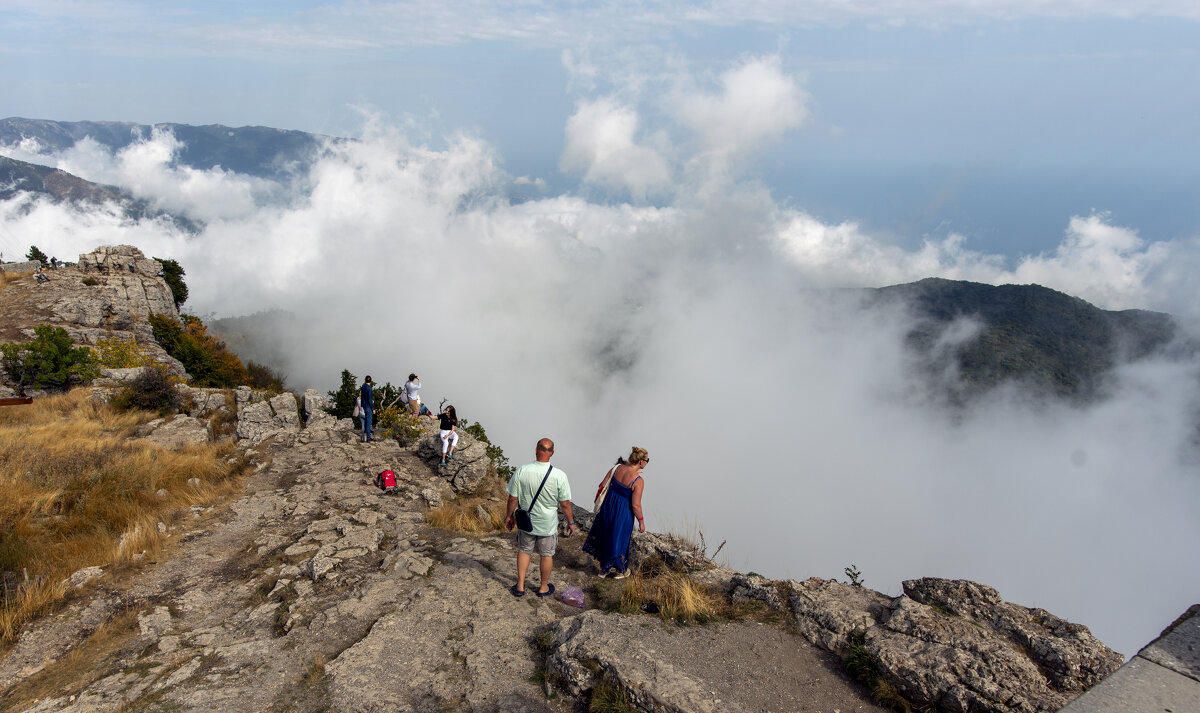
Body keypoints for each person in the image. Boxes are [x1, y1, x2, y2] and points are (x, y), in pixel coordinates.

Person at [505, 438, 574, 597]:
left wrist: (509, 517)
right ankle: (543, 587)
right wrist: (570, 522)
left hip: (526, 522)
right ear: (552, 453)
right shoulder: (559, 476)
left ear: (536, 450)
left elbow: (513, 498)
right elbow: (565, 504)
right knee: (546, 554)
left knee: (524, 551)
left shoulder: (522, 470)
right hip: (547, 524)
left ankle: (520, 586)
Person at [582, 447, 649, 579]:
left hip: (608, 506)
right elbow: (635, 505)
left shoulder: (618, 468)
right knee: (619, 539)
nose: (647, 463)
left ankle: (603, 569)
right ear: (641, 462)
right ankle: (620, 570)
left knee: (606, 534)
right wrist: (641, 521)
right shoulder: (638, 481)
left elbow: (602, 484)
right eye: (647, 460)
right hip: (623, 512)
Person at [359, 375, 375, 442]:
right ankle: (368, 438)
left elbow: (362, 397)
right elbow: (370, 400)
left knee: (366, 421)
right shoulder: (369, 389)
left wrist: (362, 405)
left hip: (364, 406)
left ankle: (364, 437)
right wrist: (373, 408)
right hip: (368, 406)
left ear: (365, 380)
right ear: (371, 381)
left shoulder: (363, 387)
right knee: (368, 422)